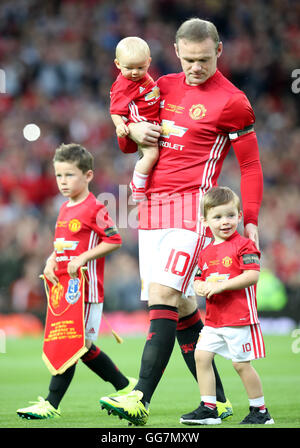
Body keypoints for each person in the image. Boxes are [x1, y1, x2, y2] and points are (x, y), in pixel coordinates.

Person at [100, 17, 263, 426]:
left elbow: (251, 164)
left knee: (162, 296)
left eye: (204, 59)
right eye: (189, 59)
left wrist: (252, 218)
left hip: (192, 212)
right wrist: (129, 128)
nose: (195, 67)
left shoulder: (233, 101)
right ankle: (219, 402)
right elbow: (126, 145)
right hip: (151, 211)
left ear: (218, 52)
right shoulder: (161, 86)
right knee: (184, 304)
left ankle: (139, 397)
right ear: (175, 52)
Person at [17, 143, 136, 420]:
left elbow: (114, 240)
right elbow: (62, 246)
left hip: (85, 290)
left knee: (72, 343)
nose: (63, 182)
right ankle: (126, 387)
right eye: (59, 175)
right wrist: (50, 260)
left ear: (88, 176)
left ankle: (51, 404)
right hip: (66, 290)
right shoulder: (64, 208)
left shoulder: (94, 207)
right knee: (81, 347)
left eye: (69, 175)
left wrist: (83, 258)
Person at [180, 187, 274, 425]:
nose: (225, 222)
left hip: (239, 317)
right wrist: (199, 286)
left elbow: (252, 276)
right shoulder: (206, 252)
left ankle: (260, 411)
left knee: (241, 364)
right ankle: (209, 408)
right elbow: (200, 277)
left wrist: (221, 286)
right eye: (218, 217)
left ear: (240, 216)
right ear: (205, 221)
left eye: (230, 215)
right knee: (201, 356)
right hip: (214, 320)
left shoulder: (244, 245)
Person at [110, 36, 160, 202]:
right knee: (151, 154)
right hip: (140, 125)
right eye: (129, 68)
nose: (135, 72)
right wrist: (120, 126)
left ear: (149, 61)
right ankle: (137, 185)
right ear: (118, 64)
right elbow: (115, 111)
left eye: (140, 67)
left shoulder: (143, 78)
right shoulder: (123, 85)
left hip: (152, 121)